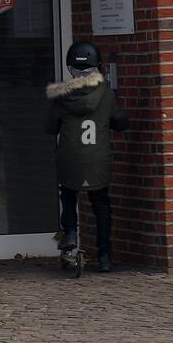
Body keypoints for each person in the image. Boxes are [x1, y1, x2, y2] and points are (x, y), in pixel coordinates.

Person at [45, 41, 129, 273]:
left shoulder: (61, 97)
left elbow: (50, 127)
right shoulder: (107, 95)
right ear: (97, 66)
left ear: (70, 67)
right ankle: (104, 256)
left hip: (69, 158)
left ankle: (70, 233)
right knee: (101, 204)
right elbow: (121, 122)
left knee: (68, 195)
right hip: (98, 159)